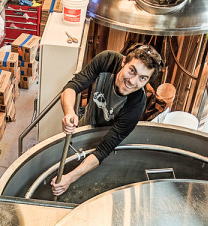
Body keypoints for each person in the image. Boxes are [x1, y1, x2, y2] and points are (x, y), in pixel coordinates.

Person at [51, 44, 163, 196]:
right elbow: (72, 86)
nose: (133, 81)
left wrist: (70, 178)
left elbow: (104, 150)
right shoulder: (107, 60)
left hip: (105, 142)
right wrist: (69, 112)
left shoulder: (136, 105)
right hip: (86, 125)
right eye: (132, 71)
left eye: (142, 78)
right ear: (124, 62)